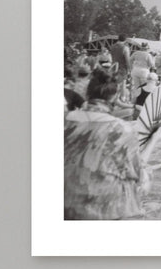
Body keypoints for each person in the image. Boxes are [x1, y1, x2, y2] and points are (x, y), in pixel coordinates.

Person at [64, 68, 152, 219]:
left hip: (65, 201)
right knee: (145, 173)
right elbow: (137, 174)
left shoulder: (65, 120)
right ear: (116, 97)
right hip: (106, 207)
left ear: (87, 94)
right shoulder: (121, 128)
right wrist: (153, 140)